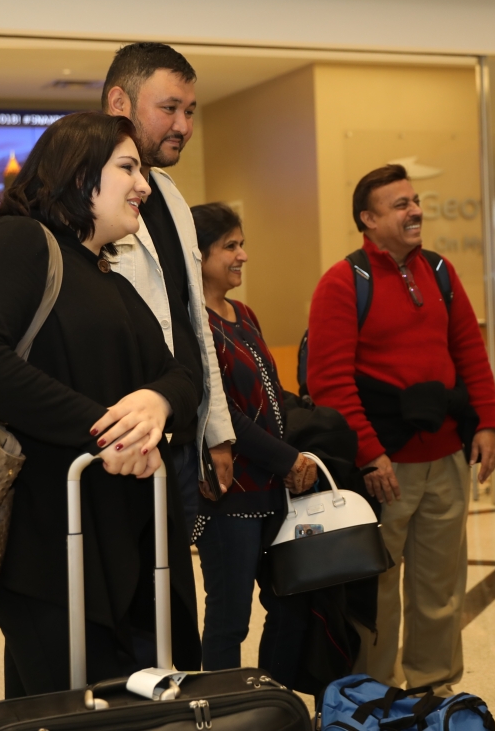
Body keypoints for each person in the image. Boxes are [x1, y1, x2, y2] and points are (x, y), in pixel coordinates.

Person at [0, 112, 203, 695]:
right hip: (48, 542)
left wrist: (156, 403)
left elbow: (181, 377)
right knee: (67, 704)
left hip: (122, 541)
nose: (143, 185)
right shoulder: (18, 243)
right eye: (127, 167)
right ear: (80, 174)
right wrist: (106, 433)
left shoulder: (111, 279)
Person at [306, 164, 495, 695]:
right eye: (400, 205)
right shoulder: (342, 283)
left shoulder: (440, 271)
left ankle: (433, 689)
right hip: (385, 466)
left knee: (440, 586)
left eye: (414, 201)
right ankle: (375, 693)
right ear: (367, 220)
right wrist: (370, 455)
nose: (414, 211)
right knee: (378, 590)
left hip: (445, 458)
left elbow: (469, 352)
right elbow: (329, 384)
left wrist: (486, 422)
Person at [103, 42, 235, 528]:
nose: (184, 125)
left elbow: (193, 323)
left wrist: (215, 432)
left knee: (175, 598)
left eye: (191, 111)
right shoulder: (83, 206)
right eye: (169, 109)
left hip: (180, 440)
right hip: (120, 448)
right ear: (120, 104)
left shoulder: (172, 199)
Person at [190, 201, 317, 686]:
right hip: (231, 497)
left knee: (287, 604)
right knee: (230, 618)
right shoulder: (194, 324)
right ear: (198, 257)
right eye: (230, 246)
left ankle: (267, 703)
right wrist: (286, 459)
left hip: (273, 489)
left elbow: (268, 392)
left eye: (242, 244)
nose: (243, 255)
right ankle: (220, 712)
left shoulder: (242, 314)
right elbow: (223, 415)